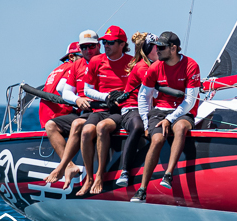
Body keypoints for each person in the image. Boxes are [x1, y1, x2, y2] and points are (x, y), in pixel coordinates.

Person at [131, 31, 201, 203]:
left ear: (174, 48)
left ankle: (168, 174)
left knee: (180, 127)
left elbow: (190, 101)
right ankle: (142, 190)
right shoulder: (155, 67)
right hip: (160, 110)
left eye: (161, 47)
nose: (157, 50)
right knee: (157, 140)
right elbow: (143, 96)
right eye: (157, 47)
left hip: (183, 111)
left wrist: (170, 119)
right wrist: (147, 124)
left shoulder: (191, 66)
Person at [78, 26, 134, 195]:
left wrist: (121, 97)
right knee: (86, 130)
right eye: (104, 42)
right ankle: (88, 178)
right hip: (101, 107)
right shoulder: (96, 61)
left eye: (110, 42)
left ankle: (100, 176)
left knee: (102, 128)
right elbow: (87, 89)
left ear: (122, 44)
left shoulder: (132, 62)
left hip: (120, 110)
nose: (106, 45)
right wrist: (106, 97)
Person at [45, 30, 102, 186]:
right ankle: (69, 166)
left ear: (98, 46)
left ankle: (61, 168)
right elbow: (66, 91)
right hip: (84, 112)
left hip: (102, 112)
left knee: (78, 124)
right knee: (50, 125)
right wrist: (77, 99)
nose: (88, 51)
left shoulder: (105, 62)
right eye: (84, 48)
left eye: (91, 46)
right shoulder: (77, 65)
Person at [112, 32, 159, 188]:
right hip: (131, 109)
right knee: (138, 126)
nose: (160, 50)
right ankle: (124, 171)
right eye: (156, 47)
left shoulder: (155, 66)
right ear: (147, 49)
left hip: (149, 108)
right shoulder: (142, 68)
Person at [40, 42, 83, 178]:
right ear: (72, 56)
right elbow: (61, 88)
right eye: (82, 55)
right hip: (59, 115)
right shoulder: (72, 67)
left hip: (47, 116)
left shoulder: (59, 68)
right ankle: (69, 165)